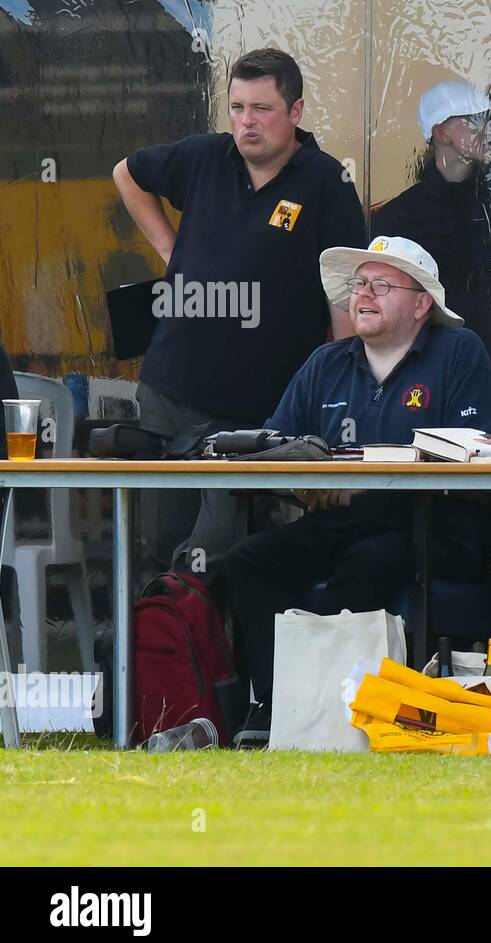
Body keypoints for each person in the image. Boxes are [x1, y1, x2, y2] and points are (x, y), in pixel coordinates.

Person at [223, 236, 491, 748]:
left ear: (421, 304)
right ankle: (281, 703)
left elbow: (467, 454)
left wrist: (361, 486)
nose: (363, 295)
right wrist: (309, 489)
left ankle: (339, 709)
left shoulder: (459, 352)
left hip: (431, 525)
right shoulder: (325, 363)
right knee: (246, 561)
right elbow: (273, 446)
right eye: (359, 284)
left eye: (381, 285)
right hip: (334, 522)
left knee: (368, 561)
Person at [112, 48, 366, 574]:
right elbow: (127, 173)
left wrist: (333, 401)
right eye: (237, 108)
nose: (246, 123)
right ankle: (157, 651)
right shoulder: (205, 156)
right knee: (156, 548)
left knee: (222, 552)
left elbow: (344, 300)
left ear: (296, 112)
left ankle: (221, 655)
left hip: (257, 413)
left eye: (262, 109)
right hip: (170, 390)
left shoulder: (326, 183)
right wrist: (170, 249)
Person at [371, 79, 491, 416]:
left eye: (489, 120)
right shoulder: (397, 220)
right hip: (422, 394)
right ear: (441, 132)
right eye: (473, 120)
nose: (488, 131)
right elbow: (381, 303)